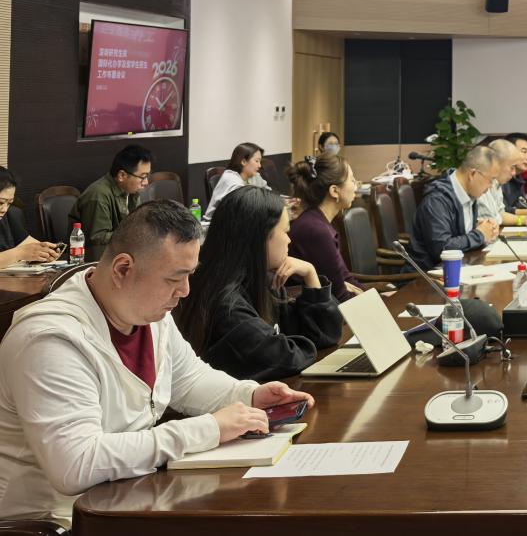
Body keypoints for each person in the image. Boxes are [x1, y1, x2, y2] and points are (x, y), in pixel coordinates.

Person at [0, 200, 313, 525]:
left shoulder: (147, 313)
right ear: (123, 269)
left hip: (125, 499)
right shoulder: (50, 339)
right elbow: (76, 465)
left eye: (189, 275)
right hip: (55, 521)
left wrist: (249, 396)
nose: (185, 291)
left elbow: (189, 380)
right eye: (175, 278)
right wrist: (207, 429)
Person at [175, 186, 342, 382]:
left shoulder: (260, 282)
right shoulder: (227, 306)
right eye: (285, 231)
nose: (289, 240)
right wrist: (306, 342)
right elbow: (284, 358)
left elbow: (325, 334)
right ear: (260, 238)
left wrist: (310, 274)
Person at [284, 154, 362, 302]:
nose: (356, 186)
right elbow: (341, 295)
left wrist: (377, 296)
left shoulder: (318, 222)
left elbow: (345, 279)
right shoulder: (316, 230)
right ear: (334, 191)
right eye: (352, 180)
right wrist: (377, 302)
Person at [409, 145, 500, 269]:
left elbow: (457, 233)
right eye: (491, 180)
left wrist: (481, 228)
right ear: (472, 174)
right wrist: (479, 235)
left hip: (459, 268)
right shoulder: (437, 199)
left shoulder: (469, 193)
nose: (491, 186)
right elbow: (442, 248)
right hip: (427, 274)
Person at [70, 144, 152, 246]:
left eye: (147, 176)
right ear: (122, 175)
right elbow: (97, 238)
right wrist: (135, 235)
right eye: (143, 177)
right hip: (90, 254)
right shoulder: (98, 195)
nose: (146, 182)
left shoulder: (132, 191)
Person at [0, 167, 61, 269]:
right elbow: (23, 251)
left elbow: (30, 245)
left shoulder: (9, 215)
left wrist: (46, 253)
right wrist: (19, 253)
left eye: (9, 203)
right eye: (0, 202)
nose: (4, 209)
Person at [204, 142, 270, 221]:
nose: (259, 165)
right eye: (256, 161)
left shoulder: (254, 176)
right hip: (218, 225)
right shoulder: (230, 179)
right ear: (244, 162)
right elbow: (244, 208)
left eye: (260, 161)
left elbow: (270, 195)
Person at [477, 139, 527, 226]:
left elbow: (500, 214)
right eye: (512, 167)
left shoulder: (497, 183)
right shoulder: (481, 183)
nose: (514, 173)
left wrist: (525, 220)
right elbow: (490, 222)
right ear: (497, 163)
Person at [501, 133, 527, 211]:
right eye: (524, 152)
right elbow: (505, 210)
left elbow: (524, 199)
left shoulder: (518, 175)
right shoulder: (501, 178)